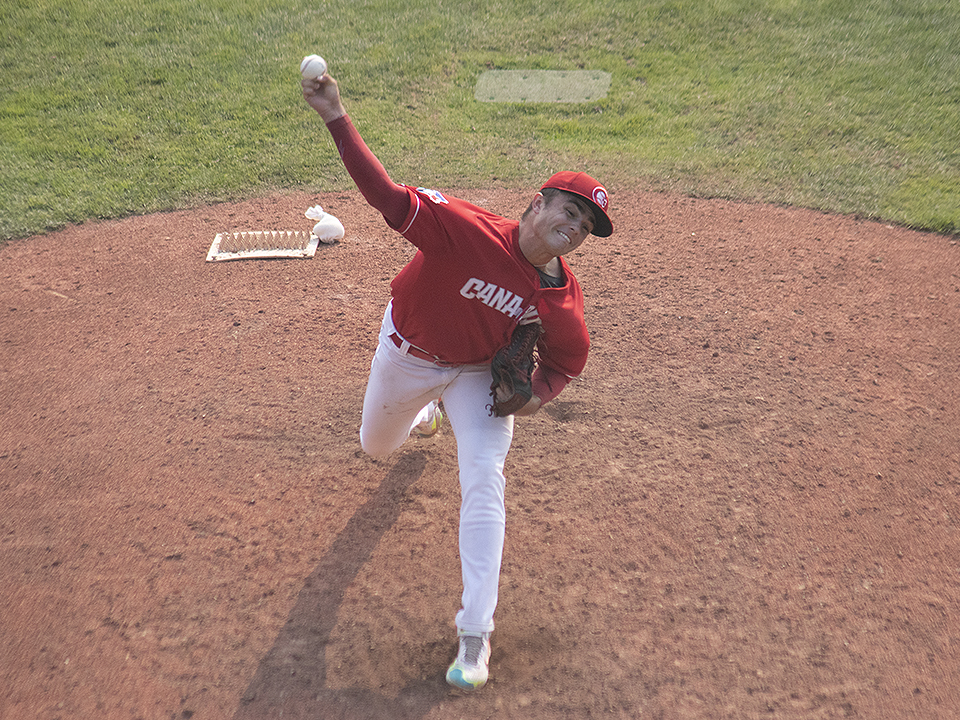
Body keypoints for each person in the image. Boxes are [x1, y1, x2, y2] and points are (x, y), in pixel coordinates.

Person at [302, 69, 613, 691]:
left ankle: (475, 636)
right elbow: (388, 199)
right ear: (537, 204)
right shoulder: (465, 229)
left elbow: (565, 365)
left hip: (477, 378)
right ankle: (423, 414)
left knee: (485, 478)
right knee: (375, 446)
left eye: (587, 226)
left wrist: (528, 401)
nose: (576, 226)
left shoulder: (560, 300)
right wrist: (336, 115)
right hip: (407, 354)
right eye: (570, 210)